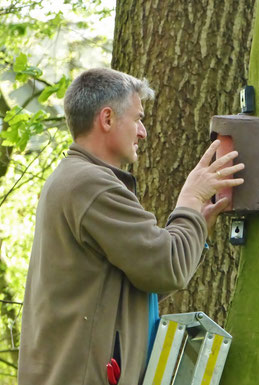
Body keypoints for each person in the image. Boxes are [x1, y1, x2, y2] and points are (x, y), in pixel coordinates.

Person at [17, 68, 244, 385]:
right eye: (137, 119)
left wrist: (197, 227)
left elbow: (141, 281)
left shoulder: (74, 179)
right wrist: (192, 197)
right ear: (107, 119)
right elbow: (166, 268)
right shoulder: (91, 185)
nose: (143, 132)